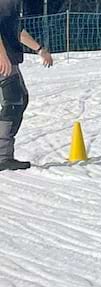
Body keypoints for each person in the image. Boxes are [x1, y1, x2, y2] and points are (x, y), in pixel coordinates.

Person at [0, 0, 53, 172]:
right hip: (3, 60)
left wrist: (40, 49)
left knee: (20, 99)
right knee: (12, 103)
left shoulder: (14, 4)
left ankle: (5, 154)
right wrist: (2, 56)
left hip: (10, 59)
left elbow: (16, 30)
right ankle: (3, 157)